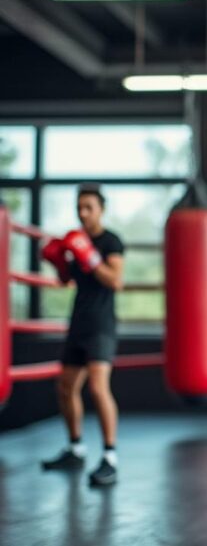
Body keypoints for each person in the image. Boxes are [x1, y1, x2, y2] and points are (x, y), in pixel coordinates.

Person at [40, 184, 125, 487]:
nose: (83, 213)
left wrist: (89, 256)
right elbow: (65, 280)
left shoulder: (110, 241)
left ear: (101, 209)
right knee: (65, 387)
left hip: (101, 325)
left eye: (89, 207)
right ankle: (75, 448)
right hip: (78, 322)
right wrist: (59, 260)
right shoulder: (74, 240)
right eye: (79, 207)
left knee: (99, 389)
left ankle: (110, 457)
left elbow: (115, 280)